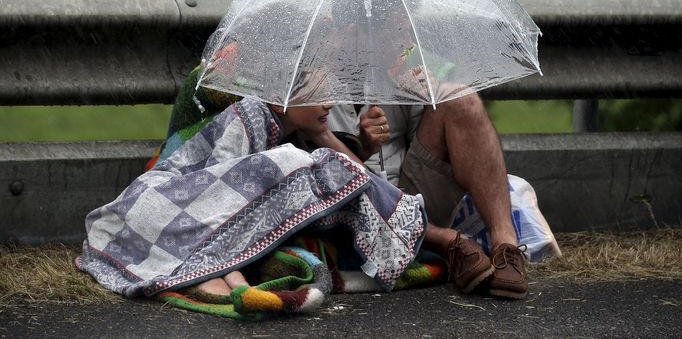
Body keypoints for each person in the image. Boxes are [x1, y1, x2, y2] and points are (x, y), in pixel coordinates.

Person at [77, 92, 477, 302]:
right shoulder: (250, 116)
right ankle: (444, 239)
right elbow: (215, 196)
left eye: (330, 93)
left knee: (319, 166)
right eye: (315, 92)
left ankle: (442, 239)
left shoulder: (301, 130)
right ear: (282, 95)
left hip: (222, 199)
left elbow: (352, 181)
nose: (328, 103)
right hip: (161, 199)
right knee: (293, 164)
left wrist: (323, 135)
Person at [328, 94, 529, 299]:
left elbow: (436, 136)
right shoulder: (310, 78)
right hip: (345, 207)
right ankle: (442, 240)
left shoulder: (395, 65)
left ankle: (506, 245)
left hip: (409, 188)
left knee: (461, 99)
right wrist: (361, 147)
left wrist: (426, 94)